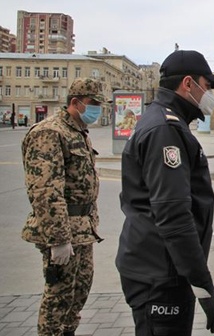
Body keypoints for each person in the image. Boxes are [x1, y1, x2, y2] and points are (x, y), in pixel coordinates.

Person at [116, 50, 214, 335]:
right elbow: (174, 215)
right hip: (160, 277)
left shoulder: (165, 121)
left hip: (160, 268)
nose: (211, 93)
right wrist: (204, 286)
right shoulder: (166, 129)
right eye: (208, 85)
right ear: (188, 84)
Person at [21, 78, 106, 336]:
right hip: (63, 231)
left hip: (82, 231)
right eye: (92, 104)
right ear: (75, 103)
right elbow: (46, 190)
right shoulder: (49, 132)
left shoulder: (77, 131)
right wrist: (58, 239)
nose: (97, 109)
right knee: (58, 298)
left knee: (79, 292)